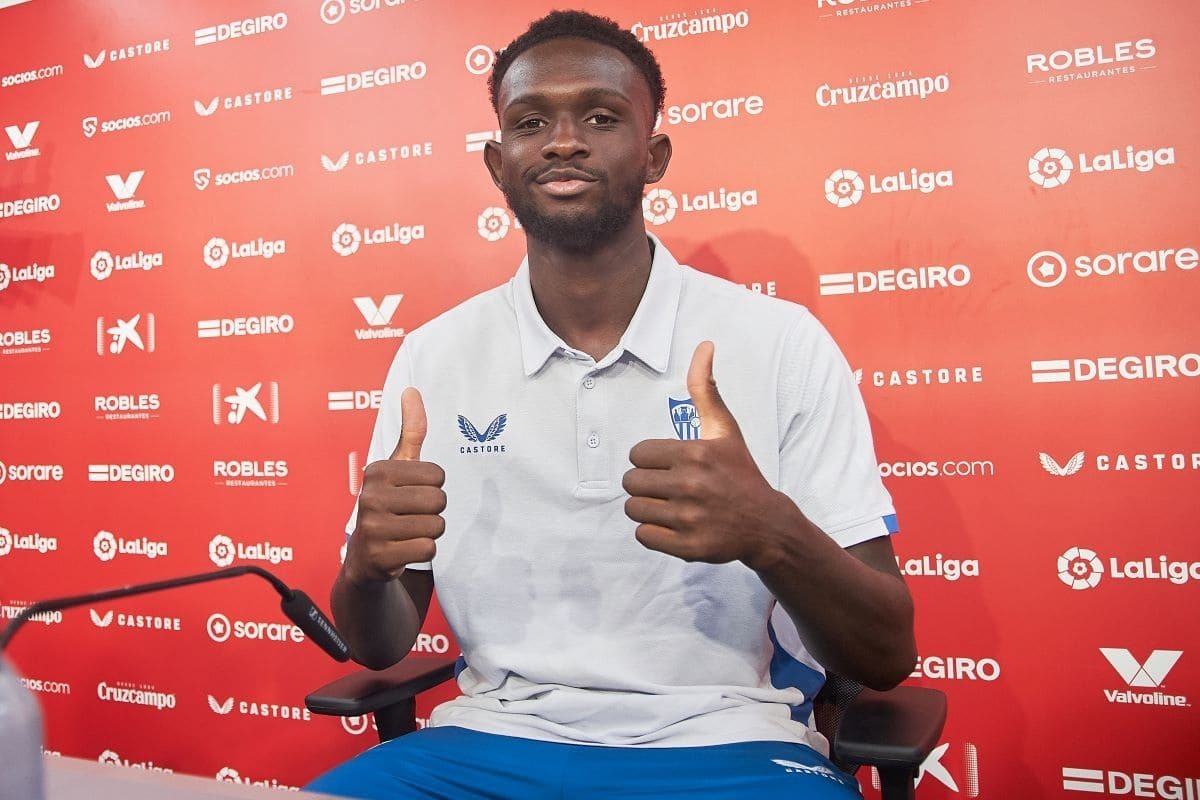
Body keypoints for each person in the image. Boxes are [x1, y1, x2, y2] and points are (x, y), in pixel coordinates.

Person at [307, 10, 916, 799]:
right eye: (531, 122)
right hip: (489, 739)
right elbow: (379, 646)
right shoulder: (434, 355)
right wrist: (367, 565)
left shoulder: (779, 342)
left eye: (600, 117)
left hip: (730, 747)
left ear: (653, 155)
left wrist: (773, 533)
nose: (563, 142)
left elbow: (885, 656)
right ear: (498, 163)